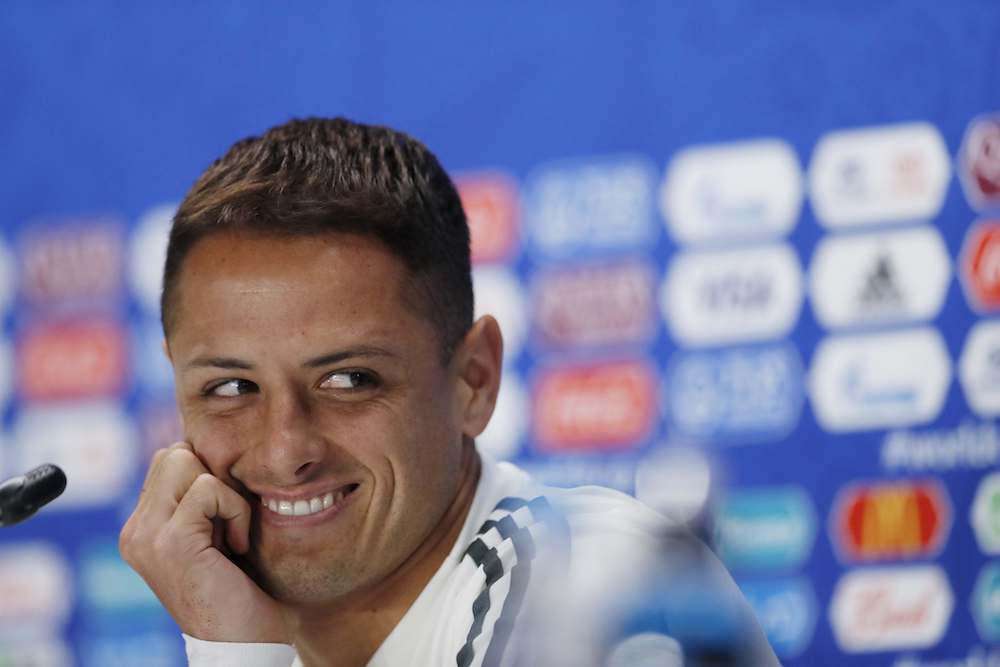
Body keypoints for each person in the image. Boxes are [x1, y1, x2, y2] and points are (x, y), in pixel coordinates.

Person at [119, 117, 779, 667]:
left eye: (349, 379)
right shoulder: (254, 628)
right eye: (232, 387)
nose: (285, 448)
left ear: (474, 380)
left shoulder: (588, 586)